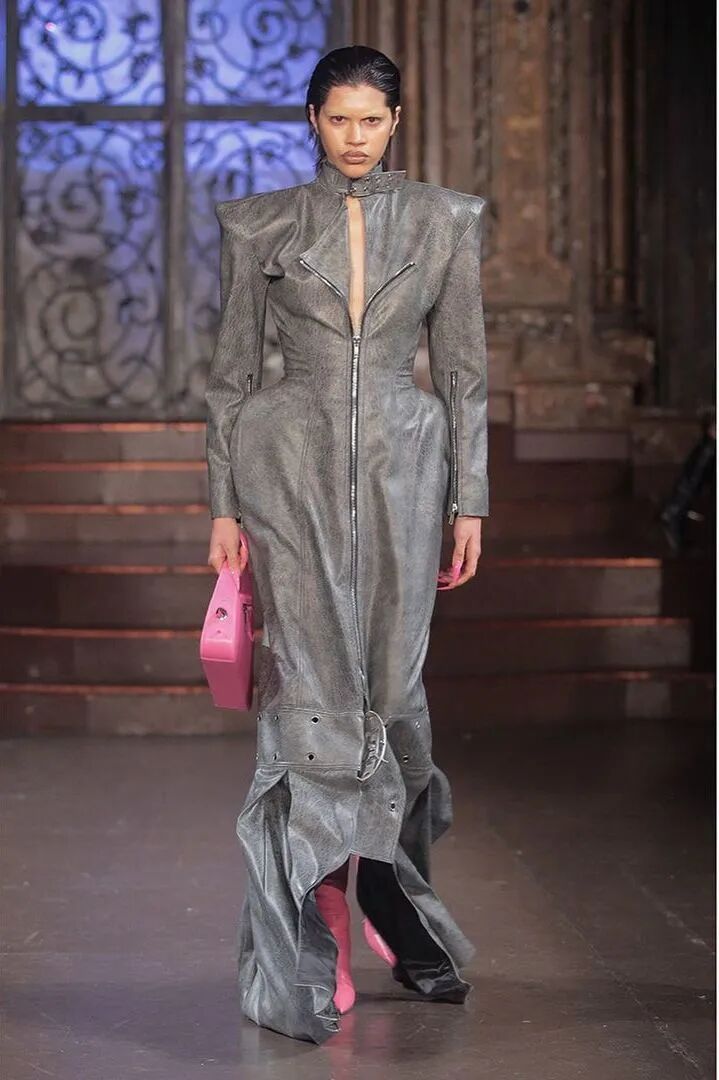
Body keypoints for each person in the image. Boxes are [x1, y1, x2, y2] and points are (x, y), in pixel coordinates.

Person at [205, 44, 489, 1045]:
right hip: (288, 469)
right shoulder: (261, 224)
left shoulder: (447, 221)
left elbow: (463, 375)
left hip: (406, 471)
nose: (355, 136)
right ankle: (312, 927)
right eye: (338, 118)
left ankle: (388, 894)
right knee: (312, 701)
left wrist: (469, 499)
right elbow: (232, 375)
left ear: (395, 121)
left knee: (393, 699)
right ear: (313, 121)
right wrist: (223, 505)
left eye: (371, 118)